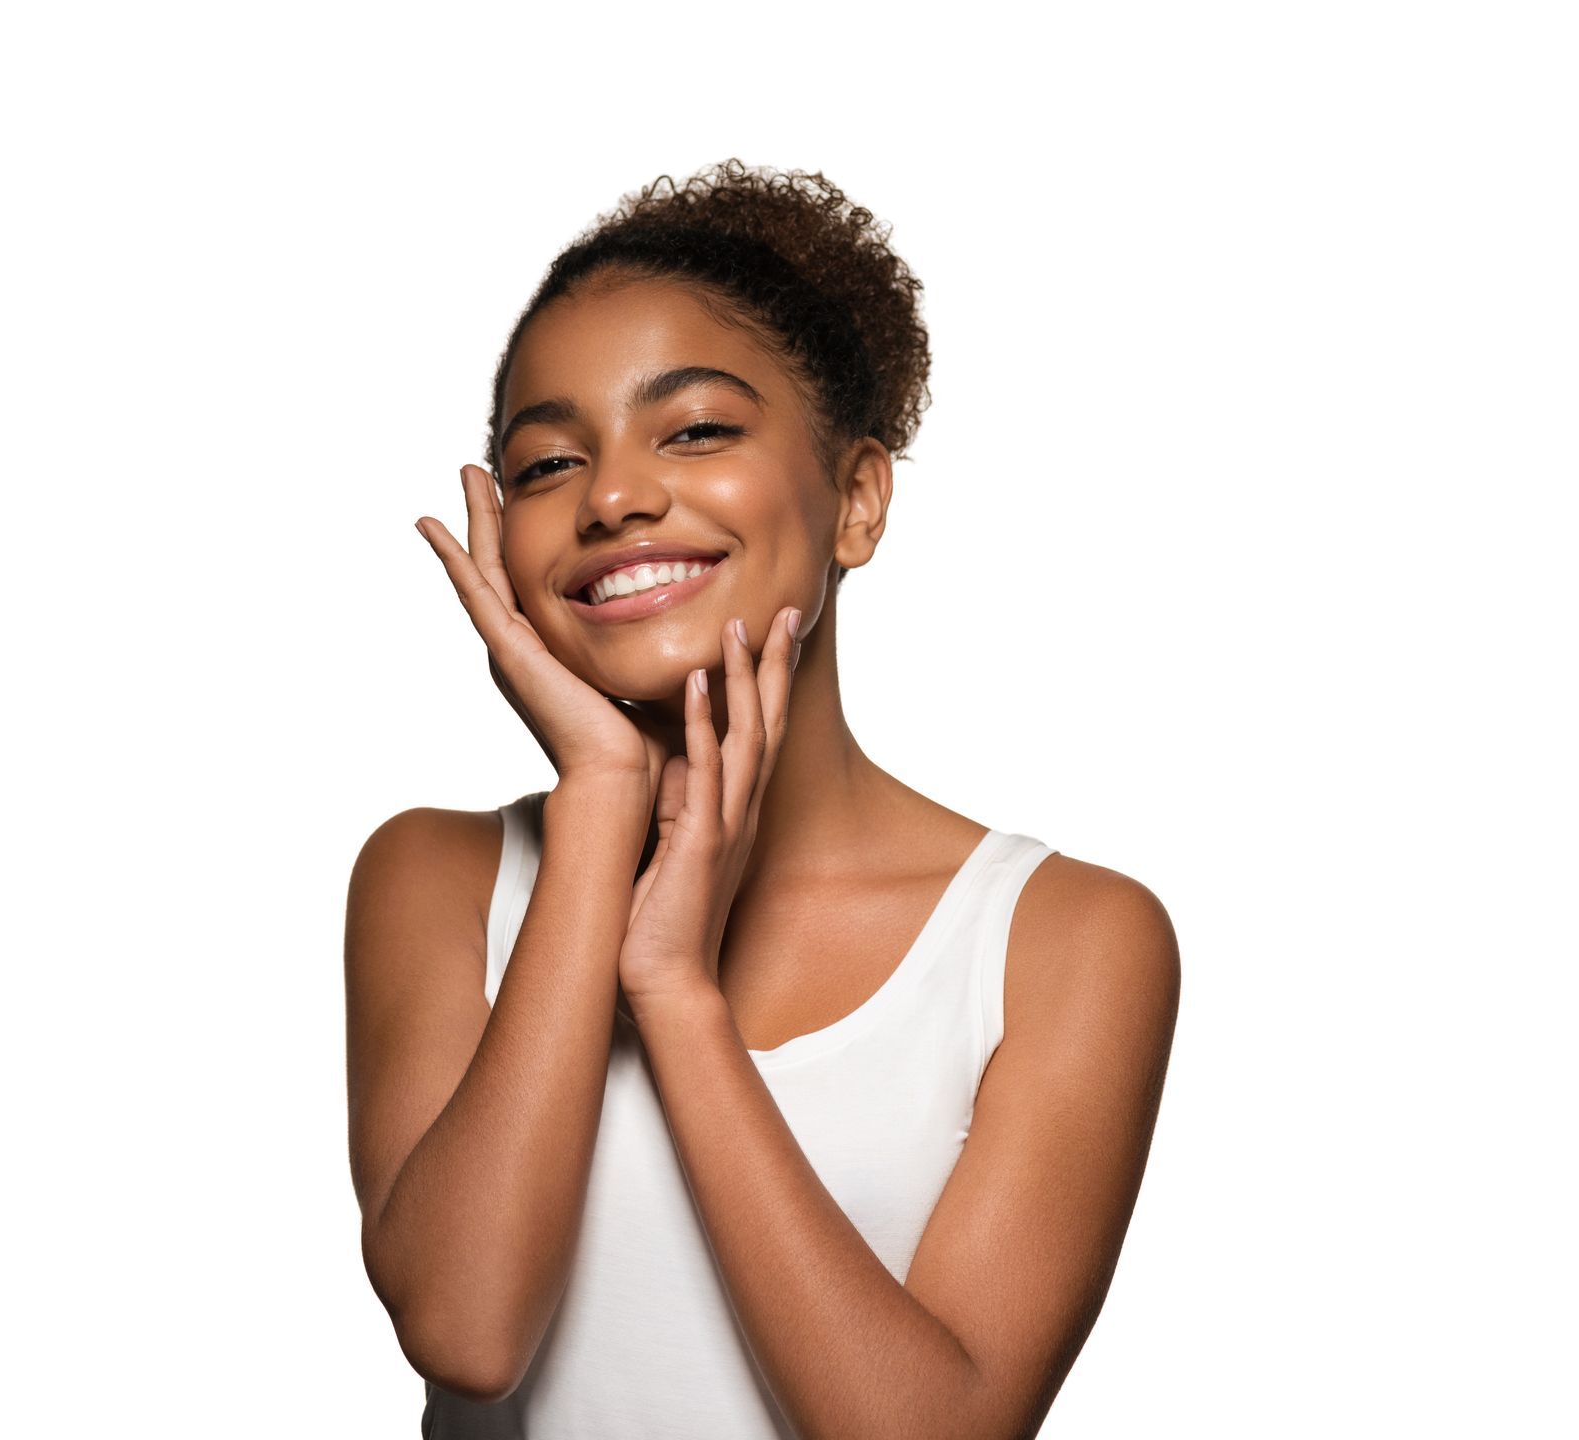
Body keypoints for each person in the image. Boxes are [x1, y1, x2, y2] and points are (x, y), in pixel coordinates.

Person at [345, 158, 1180, 1438]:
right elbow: (468, 1327)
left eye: (693, 431)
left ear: (855, 500)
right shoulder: (435, 878)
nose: (615, 496)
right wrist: (603, 806)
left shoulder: (1063, 939)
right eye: (549, 462)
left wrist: (677, 991)